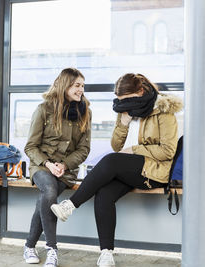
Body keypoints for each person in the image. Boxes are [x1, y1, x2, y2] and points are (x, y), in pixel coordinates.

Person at [51, 73, 183, 267]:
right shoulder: (129, 110)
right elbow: (115, 145)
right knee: (104, 194)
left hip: (156, 172)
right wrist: (123, 123)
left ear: (140, 92)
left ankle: (70, 205)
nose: (123, 105)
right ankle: (106, 253)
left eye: (126, 100)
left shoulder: (164, 113)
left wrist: (133, 150)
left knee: (112, 161)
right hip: (135, 169)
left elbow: (167, 151)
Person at [23, 68, 91, 267]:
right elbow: (31, 146)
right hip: (42, 166)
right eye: (77, 85)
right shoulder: (44, 109)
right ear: (65, 85)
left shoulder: (85, 111)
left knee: (46, 199)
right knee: (49, 190)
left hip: (66, 170)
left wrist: (64, 165)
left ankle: (29, 246)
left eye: (82, 86)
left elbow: (84, 149)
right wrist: (48, 164)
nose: (81, 90)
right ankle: (52, 249)